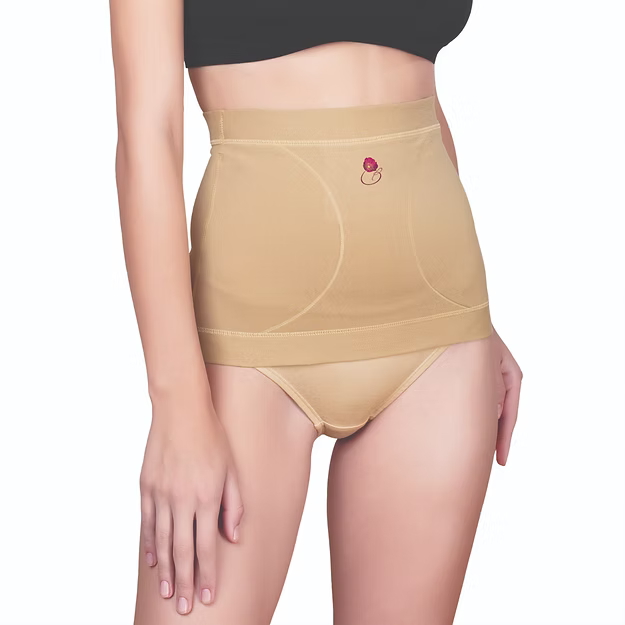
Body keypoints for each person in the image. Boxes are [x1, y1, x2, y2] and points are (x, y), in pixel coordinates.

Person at [109, 1, 523, 622]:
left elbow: (414, 99)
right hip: (250, 340)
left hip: (440, 329)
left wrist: (475, 320)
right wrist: (176, 408)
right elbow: (149, 137)